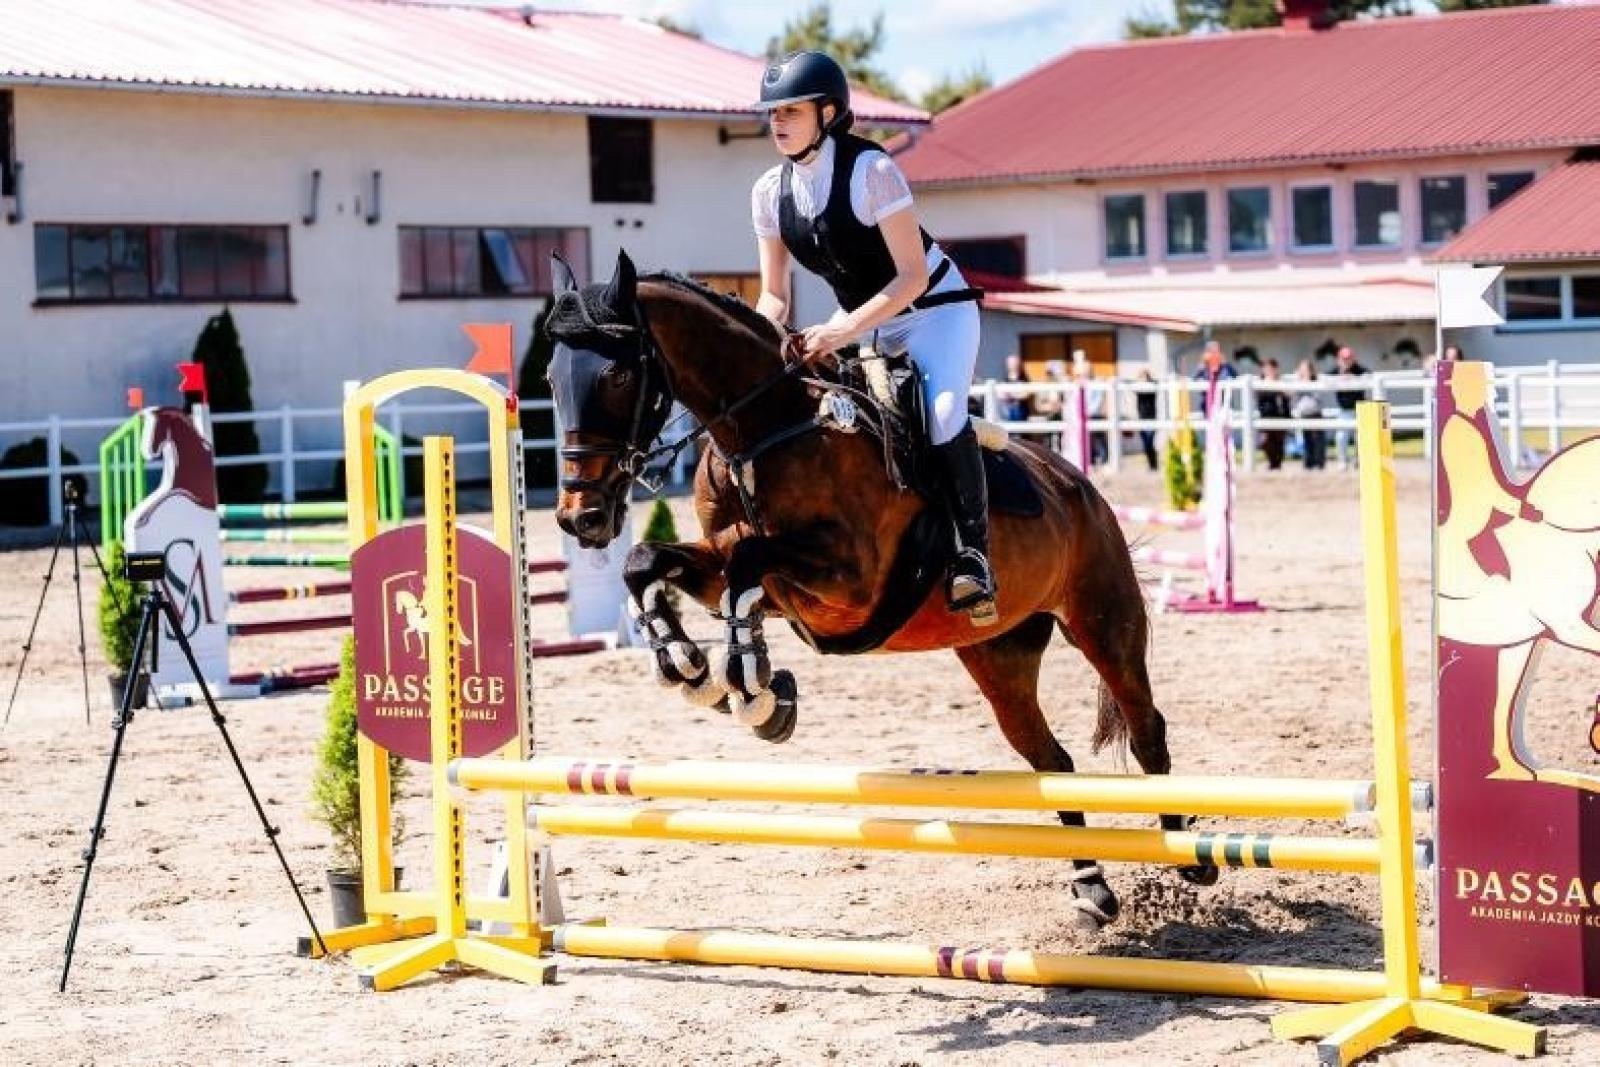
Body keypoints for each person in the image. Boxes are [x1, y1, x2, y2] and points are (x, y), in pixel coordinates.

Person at [750, 51, 992, 623]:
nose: (777, 122)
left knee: (943, 409)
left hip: (934, 312)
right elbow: (775, 296)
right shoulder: (767, 192)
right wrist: (758, 343)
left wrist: (842, 329)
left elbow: (911, 276)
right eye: (771, 113)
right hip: (861, 321)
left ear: (828, 113)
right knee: (835, 421)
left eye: (791, 110)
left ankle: (972, 554)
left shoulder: (871, 172)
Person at [1330, 345, 1369, 470]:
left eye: (1348, 358)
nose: (1346, 361)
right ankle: (1342, 461)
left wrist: (1353, 378)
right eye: (1344, 358)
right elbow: (1323, 379)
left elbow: (1369, 377)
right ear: (1339, 359)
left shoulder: (1359, 369)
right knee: (1341, 436)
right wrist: (1339, 379)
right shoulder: (1335, 371)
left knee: (1360, 437)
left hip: (1360, 409)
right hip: (1344, 410)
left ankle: (1359, 460)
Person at [1256, 357, 1291, 470]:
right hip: (1266, 416)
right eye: (1266, 368)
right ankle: (1272, 463)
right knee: (1265, 442)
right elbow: (1259, 397)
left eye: (1271, 368)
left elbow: (1288, 396)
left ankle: (1277, 465)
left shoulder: (1281, 381)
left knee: (1279, 442)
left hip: (1280, 415)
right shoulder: (1260, 382)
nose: (1268, 370)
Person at [1294, 358, 1327, 470]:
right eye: (1301, 369)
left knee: (1318, 440)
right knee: (1306, 439)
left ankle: (1319, 463)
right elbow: (1294, 398)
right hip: (1304, 415)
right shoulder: (1297, 383)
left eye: (1305, 369)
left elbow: (1318, 398)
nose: (1303, 371)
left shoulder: (1316, 381)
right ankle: (1308, 463)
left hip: (1315, 413)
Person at [1134, 368, 1159, 471]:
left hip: (1151, 418)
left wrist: (1148, 382)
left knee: (1149, 442)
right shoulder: (1139, 389)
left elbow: (1155, 386)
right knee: (1145, 444)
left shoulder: (1152, 388)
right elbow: (1134, 389)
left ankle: (1153, 465)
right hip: (1142, 419)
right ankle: (1151, 464)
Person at [997, 353, 1032, 423]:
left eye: (1014, 362)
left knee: (1017, 411)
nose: (1012, 365)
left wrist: (1011, 394)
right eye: (1010, 363)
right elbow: (1000, 395)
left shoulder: (1024, 379)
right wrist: (1015, 394)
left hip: (1021, 411)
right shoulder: (1004, 380)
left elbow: (1026, 394)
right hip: (1007, 412)